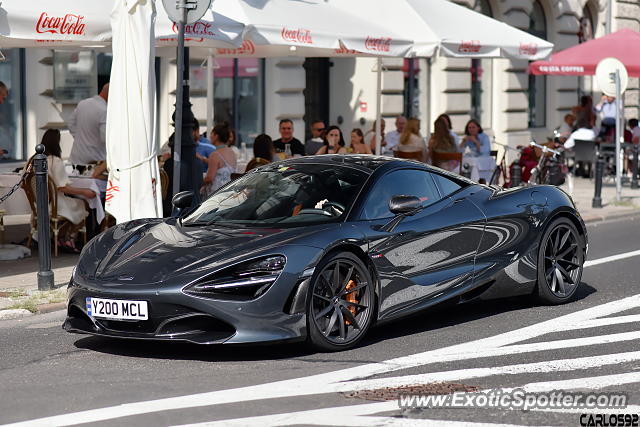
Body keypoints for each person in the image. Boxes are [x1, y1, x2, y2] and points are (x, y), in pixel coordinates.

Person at [37, 129, 95, 252]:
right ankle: (68, 237)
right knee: (83, 204)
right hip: (54, 204)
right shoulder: (55, 161)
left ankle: (60, 237)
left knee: (75, 204)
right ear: (56, 143)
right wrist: (84, 192)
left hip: (38, 204)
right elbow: (62, 187)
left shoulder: (33, 160)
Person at [68, 82, 109, 164]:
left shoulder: (83, 103)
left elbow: (70, 123)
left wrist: (81, 138)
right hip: (95, 160)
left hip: (76, 159)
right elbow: (105, 137)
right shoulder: (104, 110)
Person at [202, 124, 237, 197]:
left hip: (217, 195)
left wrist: (198, 182)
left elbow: (209, 178)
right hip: (230, 193)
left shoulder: (215, 155)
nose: (210, 136)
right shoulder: (232, 152)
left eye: (212, 133)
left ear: (216, 136)